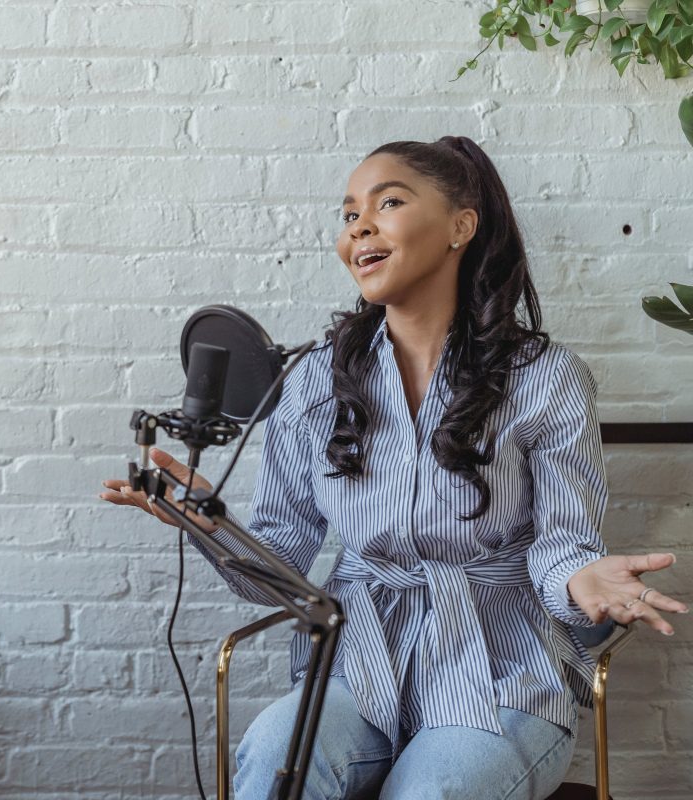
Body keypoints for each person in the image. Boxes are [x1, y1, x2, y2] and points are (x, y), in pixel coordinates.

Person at [100, 136, 687, 799]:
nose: (361, 227)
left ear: (460, 226)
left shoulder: (547, 379)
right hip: (357, 667)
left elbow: (561, 545)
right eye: (350, 214)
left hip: (500, 672)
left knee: (432, 790)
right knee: (270, 759)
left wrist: (583, 577)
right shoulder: (312, 380)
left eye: (389, 202)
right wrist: (208, 522)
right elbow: (282, 570)